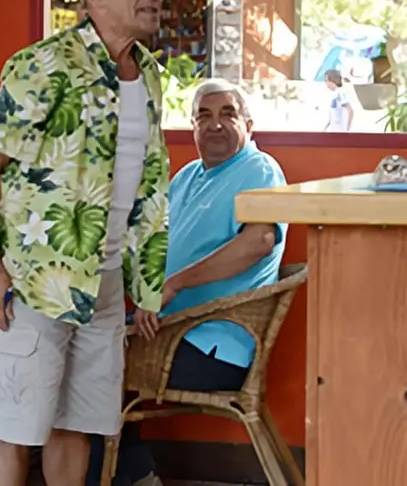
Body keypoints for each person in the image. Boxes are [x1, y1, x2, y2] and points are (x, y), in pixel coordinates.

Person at [0, 0, 170, 486]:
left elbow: (142, 181)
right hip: (38, 281)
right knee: (14, 431)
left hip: (104, 282)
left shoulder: (149, 73)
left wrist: (141, 281)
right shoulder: (44, 64)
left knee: (77, 427)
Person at [86, 79, 287, 486]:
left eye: (228, 114)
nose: (216, 124)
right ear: (193, 127)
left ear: (248, 124)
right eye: (204, 116)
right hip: (167, 331)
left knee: (87, 369)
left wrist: (174, 285)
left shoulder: (259, 168)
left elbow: (259, 241)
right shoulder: (187, 176)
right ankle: (135, 475)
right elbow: (149, 242)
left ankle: (129, 476)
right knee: (84, 352)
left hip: (212, 345)